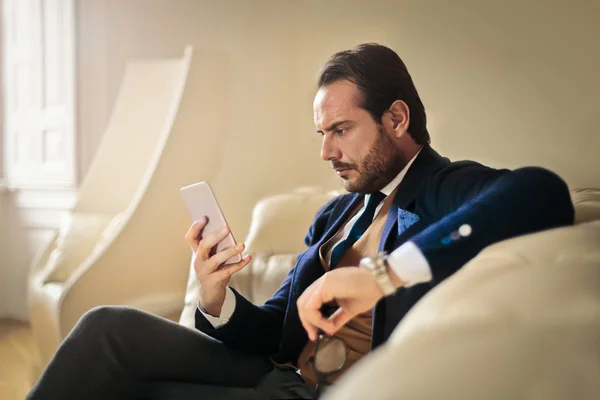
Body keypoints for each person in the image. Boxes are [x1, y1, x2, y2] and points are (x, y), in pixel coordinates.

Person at [26, 43, 574, 400]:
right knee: (107, 331)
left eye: (340, 130)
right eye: (322, 135)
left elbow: (540, 192)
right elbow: (275, 328)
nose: (326, 152)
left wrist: (381, 276)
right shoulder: (336, 214)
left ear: (397, 117)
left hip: (333, 391)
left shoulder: (445, 187)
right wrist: (219, 300)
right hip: (279, 372)